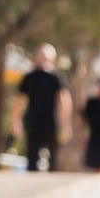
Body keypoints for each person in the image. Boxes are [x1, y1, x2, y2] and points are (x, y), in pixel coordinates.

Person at [16, 44, 67, 172]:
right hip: (33, 122)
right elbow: (19, 101)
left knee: (53, 160)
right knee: (32, 159)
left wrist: (65, 124)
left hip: (52, 122)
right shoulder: (30, 77)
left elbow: (64, 101)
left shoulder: (57, 77)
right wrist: (16, 121)